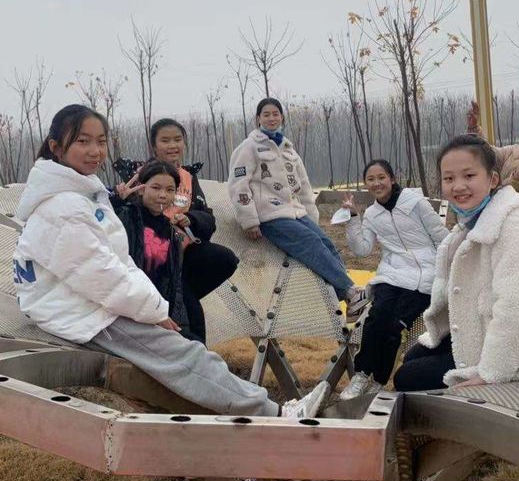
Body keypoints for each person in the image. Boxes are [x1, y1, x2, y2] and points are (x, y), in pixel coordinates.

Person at [12, 104, 328, 419]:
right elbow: (101, 275)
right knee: (184, 356)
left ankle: (260, 409)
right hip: (81, 313)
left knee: (186, 345)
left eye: (101, 141)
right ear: (56, 147)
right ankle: (275, 415)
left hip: (86, 301)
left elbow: (116, 261)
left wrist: (154, 306)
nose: (95, 151)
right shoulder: (65, 207)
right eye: (83, 141)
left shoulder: (81, 194)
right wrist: (156, 312)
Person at [393, 134, 519, 392]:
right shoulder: (472, 223)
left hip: (518, 354)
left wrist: (492, 372)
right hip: (484, 333)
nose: (458, 186)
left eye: (469, 176)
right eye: (449, 178)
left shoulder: (515, 228)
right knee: (413, 357)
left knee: (407, 378)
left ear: (493, 179)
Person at [228, 97, 368, 319]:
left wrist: (311, 217)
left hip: (295, 212)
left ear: (282, 117)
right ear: (258, 119)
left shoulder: (289, 149)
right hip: (269, 215)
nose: (271, 118)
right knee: (310, 243)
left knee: (325, 243)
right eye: (266, 114)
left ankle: (351, 301)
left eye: (275, 114)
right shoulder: (249, 147)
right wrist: (249, 220)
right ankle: (352, 291)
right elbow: (238, 185)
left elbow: (303, 186)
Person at [337, 159, 448, 400]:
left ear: (392, 179)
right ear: (366, 184)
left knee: (394, 328)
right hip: (392, 274)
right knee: (375, 319)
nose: (377, 183)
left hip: (424, 278)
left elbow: (442, 238)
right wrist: (353, 217)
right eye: (371, 179)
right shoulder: (372, 214)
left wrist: (443, 275)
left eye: (381, 177)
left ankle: (378, 381)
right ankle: (360, 375)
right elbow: (362, 249)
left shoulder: (415, 203)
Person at [123, 117, 239, 343]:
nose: (172, 145)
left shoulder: (188, 177)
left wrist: (191, 219)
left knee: (224, 259)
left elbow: (208, 218)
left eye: (177, 140)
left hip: (182, 252)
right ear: (153, 146)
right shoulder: (138, 175)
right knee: (188, 309)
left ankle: (183, 298)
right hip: (152, 258)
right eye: (165, 140)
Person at [111, 160, 194, 339]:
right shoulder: (127, 215)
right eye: (156, 188)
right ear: (141, 188)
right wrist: (115, 201)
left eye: (170, 190)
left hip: (158, 311)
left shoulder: (171, 232)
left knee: (192, 341)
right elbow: (99, 225)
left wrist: (179, 322)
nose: (162, 195)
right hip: (128, 309)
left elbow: (174, 282)